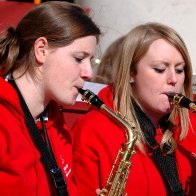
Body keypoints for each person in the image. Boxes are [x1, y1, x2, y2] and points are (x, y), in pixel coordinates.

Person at [71, 22, 196, 196]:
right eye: (160, 69)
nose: (174, 79)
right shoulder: (91, 131)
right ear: (131, 72)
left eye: (180, 70)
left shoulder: (190, 125)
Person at [0, 1, 101, 196]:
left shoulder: (56, 125)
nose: (89, 73)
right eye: (79, 58)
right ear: (41, 50)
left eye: (91, 60)